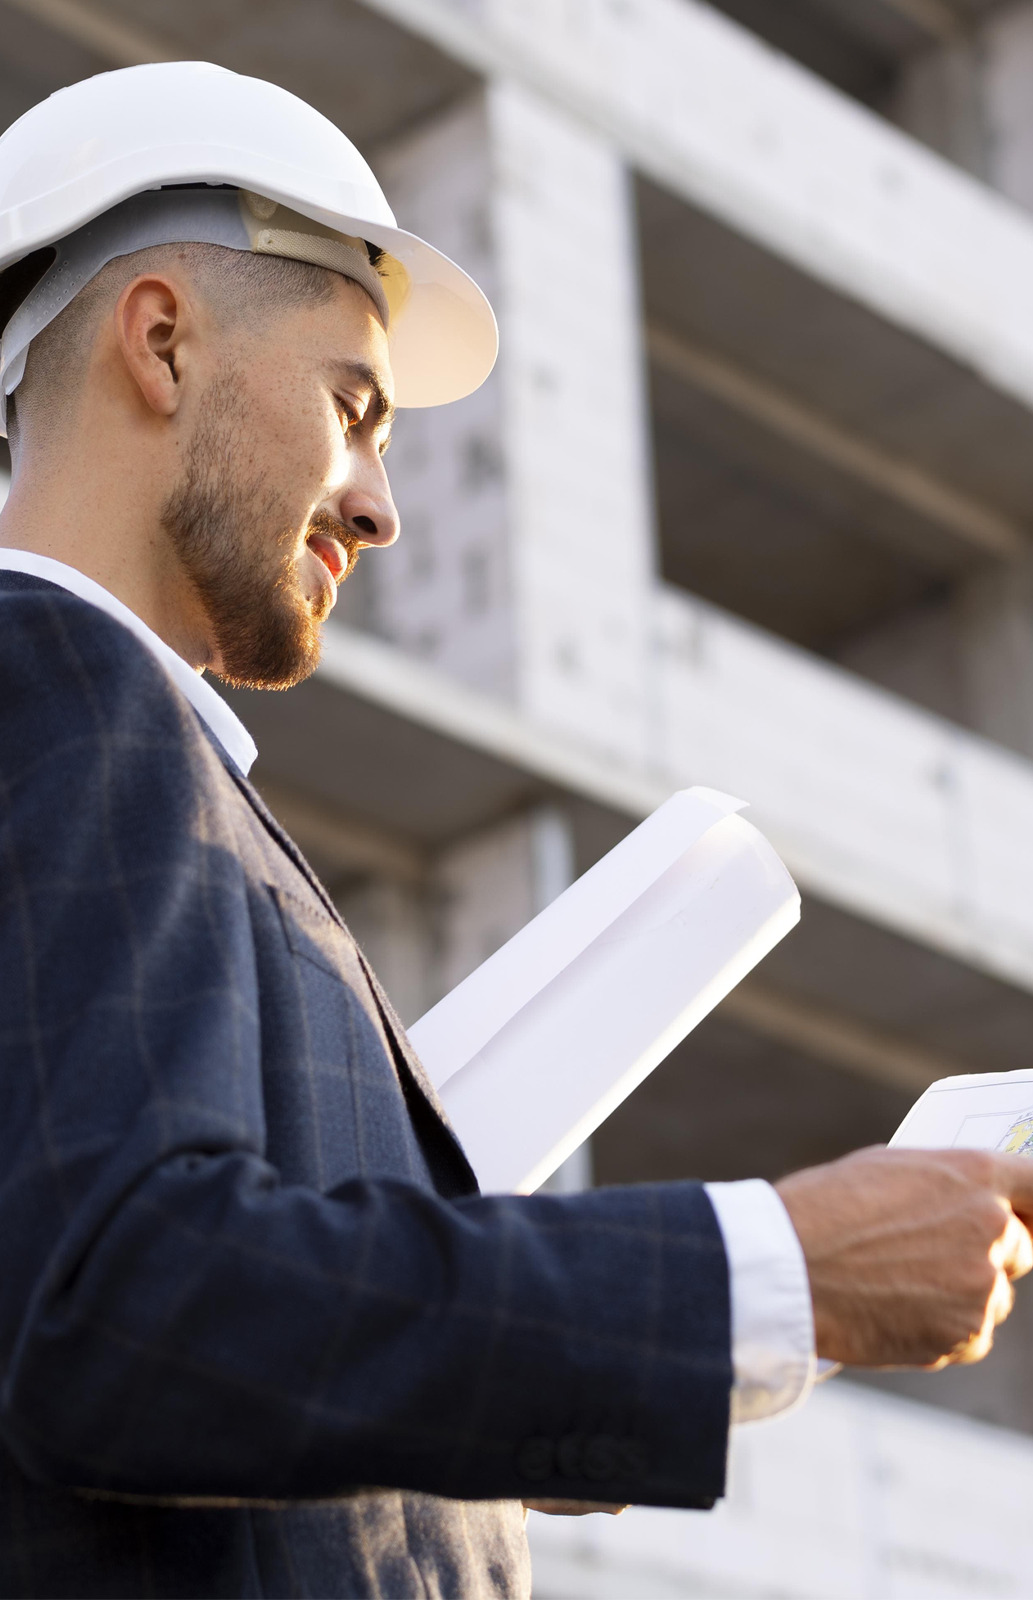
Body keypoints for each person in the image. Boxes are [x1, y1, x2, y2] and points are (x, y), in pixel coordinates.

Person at [0, 61, 1030, 1600]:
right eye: (355, 410)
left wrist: (506, 1407)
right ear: (161, 342)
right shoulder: (60, 679)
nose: (380, 507)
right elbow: (131, 1314)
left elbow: (160, 1348)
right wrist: (770, 1265)